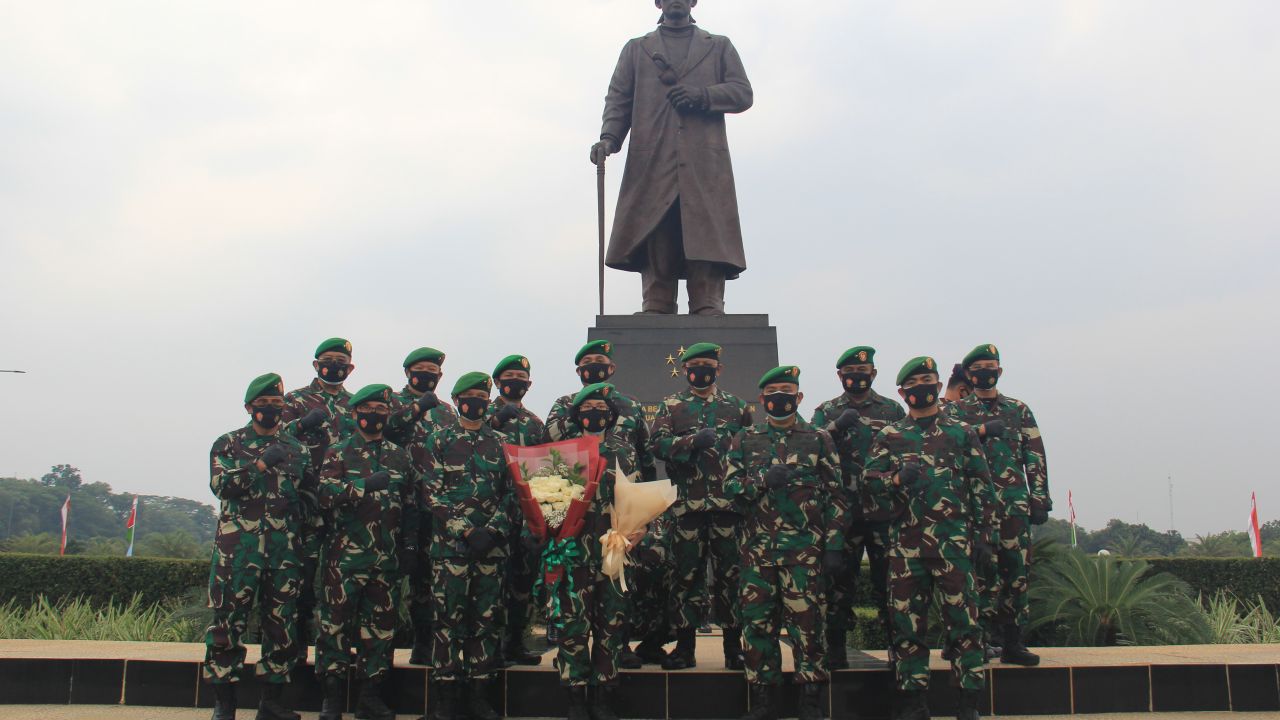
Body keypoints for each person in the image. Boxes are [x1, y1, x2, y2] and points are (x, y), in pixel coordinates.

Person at [590, 0, 753, 315]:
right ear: (658, 2)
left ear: (693, 1)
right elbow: (619, 97)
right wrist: (609, 138)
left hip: (704, 159)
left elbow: (742, 92)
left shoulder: (718, 46)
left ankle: (707, 299)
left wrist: (703, 95)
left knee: (704, 224)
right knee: (656, 225)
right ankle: (657, 299)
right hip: (652, 154)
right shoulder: (637, 50)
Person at [863, 357, 998, 720]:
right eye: (915, 382)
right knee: (907, 625)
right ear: (902, 392)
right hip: (906, 547)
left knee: (965, 625)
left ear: (938, 386)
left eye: (928, 380)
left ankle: (968, 701)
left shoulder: (960, 433)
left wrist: (986, 534)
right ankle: (914, 701)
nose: (922, 387)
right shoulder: (889, 436)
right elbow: (869, 482)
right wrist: (893, 479)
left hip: (953, 544)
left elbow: (981, 484)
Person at [726, 366, 845, 720]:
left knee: (808, 629)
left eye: (787, 391)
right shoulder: (745, 440)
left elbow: (837, 496)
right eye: (773, 391)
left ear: (799, 397)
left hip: (804, 554)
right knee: (758, 629)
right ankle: (763, 703)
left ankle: (810, 701)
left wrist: (834, 545)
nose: (781, 397)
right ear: (762, 400)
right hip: (759, 556)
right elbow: (730, 491)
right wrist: (762, 479)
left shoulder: (818, 438)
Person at [204, 373, 310, 720]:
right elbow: (222, 485)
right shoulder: (228, 443)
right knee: (227, 628)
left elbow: (304, 498)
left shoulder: (297, 449)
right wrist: (261, 463)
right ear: (249, 407)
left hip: (283, 553)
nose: (271, 409)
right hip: (238, 553)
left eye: (277, 404)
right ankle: (224, 703)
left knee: (281, 628)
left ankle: (271, 703)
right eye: (264, 404)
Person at [315, 384, 419, 720]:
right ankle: (332, 698)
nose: (375, 415)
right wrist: (360, 487)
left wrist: (409, 546)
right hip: (344, 558)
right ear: (356, 413)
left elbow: (411, 504)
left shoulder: (399, 455)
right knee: (335, 626)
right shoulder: (339, 452)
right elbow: (325, 494)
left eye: (381, 410)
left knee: (380, 631)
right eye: (369, 409)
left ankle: (369, 697)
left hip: (384, 558)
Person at [944, 344, 1050, 667]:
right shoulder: (956, 412)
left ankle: (1013, 643)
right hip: (974, 512)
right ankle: (973, 641)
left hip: (1014, 507)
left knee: (1016, 575)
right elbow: (945, 447)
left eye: (991, 366)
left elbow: (1035, 454)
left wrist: (1039, 497)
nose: (985, 373)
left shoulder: (1018, 410)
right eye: (978, 368)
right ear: (969, 375)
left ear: (999, 371)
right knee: (976, 577)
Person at [649, 342, 752, 669]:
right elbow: (657, 446)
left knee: (730, 577)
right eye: (694, 366)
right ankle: (685, 648)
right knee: (686, 576)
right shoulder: (671, 406)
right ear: (684, 370)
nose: (701, 371)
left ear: (718, 369)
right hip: (687, 508)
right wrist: (691, 441)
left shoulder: (736, 406)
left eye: (707, 365)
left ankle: (733, 648)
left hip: (727, 507)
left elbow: (753, 447)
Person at [421, 372, 515, 720]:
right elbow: (432, 491)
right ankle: (446, 696)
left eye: (483, 396)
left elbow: (513, 493)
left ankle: (479, 693)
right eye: (471, 396)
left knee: (485, 621)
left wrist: (492, 530)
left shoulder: (502, 443)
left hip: (491, 549)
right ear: (457, 399)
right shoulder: (439, 440)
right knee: (448, 621)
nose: (477, 401)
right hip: (450, 551)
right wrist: (463, 531)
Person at [809, 346, 905, 669]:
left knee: (890, 583)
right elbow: (808, 447)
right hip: (842, 514)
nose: (856, 378)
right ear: (840, 376)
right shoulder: (826, 411)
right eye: (850, 373)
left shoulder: (892, 410)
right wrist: (835, 427)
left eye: (863, 373)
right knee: (838, 585)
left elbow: (908, 450)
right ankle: (835, 648)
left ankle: (896, 647)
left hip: (883, 513)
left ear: (873, 374)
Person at [553, 382, 639, 720]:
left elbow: (635, 497)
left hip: (613, 549)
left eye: (602, 409)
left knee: (611, 623)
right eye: (588, 409)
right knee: (573, 623)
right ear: (577, 415)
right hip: (574, 550)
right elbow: (550, 501)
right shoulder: (563, 450)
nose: (595, 414)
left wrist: (639, 530)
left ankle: (604, 694)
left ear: (611, 415)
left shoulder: (624, 450)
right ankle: (575, 696)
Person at [282, 337, 356, 659]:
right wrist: (300, 424)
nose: (334, 365)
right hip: (306, 503)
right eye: (328, 359)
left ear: (350, 368)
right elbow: (272, 436)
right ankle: (296, 646)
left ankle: (337, 651)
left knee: (341, 582)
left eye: (341, 361)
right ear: (315, 364)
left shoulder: (356, 405)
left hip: (343, 506)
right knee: (301, 578)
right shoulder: (295, 400)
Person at [385, 346, 459, 666]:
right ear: (408, 373)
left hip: (432, 504)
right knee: (389, 572)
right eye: (421, 369)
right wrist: (415, 408)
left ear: (440, 377)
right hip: (397, 503)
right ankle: (380, 646)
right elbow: (385, 429)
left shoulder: (446, 412)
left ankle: (423, 640)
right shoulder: (391, 401)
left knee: (427, 576)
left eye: (433, 371)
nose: (427, 375)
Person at [487, 354, 549, 667]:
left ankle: (514, 643)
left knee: (523, 583)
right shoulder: (481, 413)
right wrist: (495, 420)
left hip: (527, 516)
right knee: (495, 583)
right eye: (510, 376)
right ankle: (492, 648)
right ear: (497, 382)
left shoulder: (535, 423)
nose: (516, 381)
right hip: (492, 513)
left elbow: (545, 470)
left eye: (521, 377)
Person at [547, 340, 656, 481]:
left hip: (623, 485)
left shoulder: (630, 404)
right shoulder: (565, 403)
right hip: (576, 483)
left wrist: (649, 487)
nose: (593, 364)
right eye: (587, 361)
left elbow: (645, 451)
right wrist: (576, 412)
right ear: (579, 371)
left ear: (611, 368)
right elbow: (546, 442)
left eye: (599, 360)